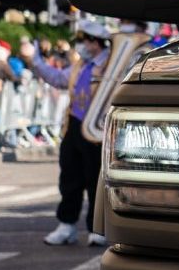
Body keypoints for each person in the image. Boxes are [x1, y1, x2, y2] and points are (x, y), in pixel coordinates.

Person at [21, 19, 112, 246]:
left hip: (97, 127)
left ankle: (97, 228)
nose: (80, 46)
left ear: (95, 42)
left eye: (84, 41)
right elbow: (59, 79)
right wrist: (36, 61)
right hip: (73, 124)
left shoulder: (113, 64)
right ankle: (67, 225)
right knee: (69, 176)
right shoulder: (81, 65)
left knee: (95, 180)